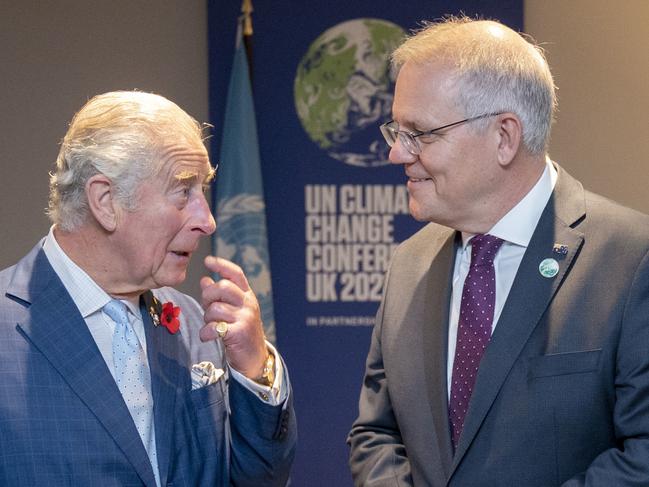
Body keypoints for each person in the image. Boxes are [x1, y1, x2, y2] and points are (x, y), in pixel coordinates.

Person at [348, 16, 649, 486]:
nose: (396, 154)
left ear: (504, 137)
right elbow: (376, 433)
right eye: (396, 131)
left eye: (420, 134)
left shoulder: (631, 261)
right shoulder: (409, 263)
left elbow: (643, 454)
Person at [0, 91, 296, 486]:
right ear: (105, 201)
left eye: (202, 191)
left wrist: (256, 371)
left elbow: (258, 479)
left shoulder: (198, 324)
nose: (207, 221)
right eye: (183, 191)